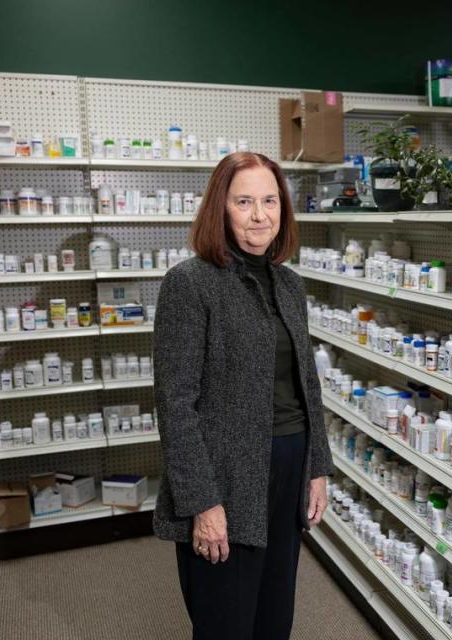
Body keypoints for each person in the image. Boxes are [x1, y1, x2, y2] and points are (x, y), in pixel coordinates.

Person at [152, 151, 333, 639]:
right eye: (244, 201)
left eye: (270, 200)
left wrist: (317, 467)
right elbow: (175, 405)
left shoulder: (289, 284)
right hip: (227, 477)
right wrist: (202, 503)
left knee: (275, 616)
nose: (260, 215)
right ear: (220, 209)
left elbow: (305, 383)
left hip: (289, 465)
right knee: (225, 622)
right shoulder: (190, 284)